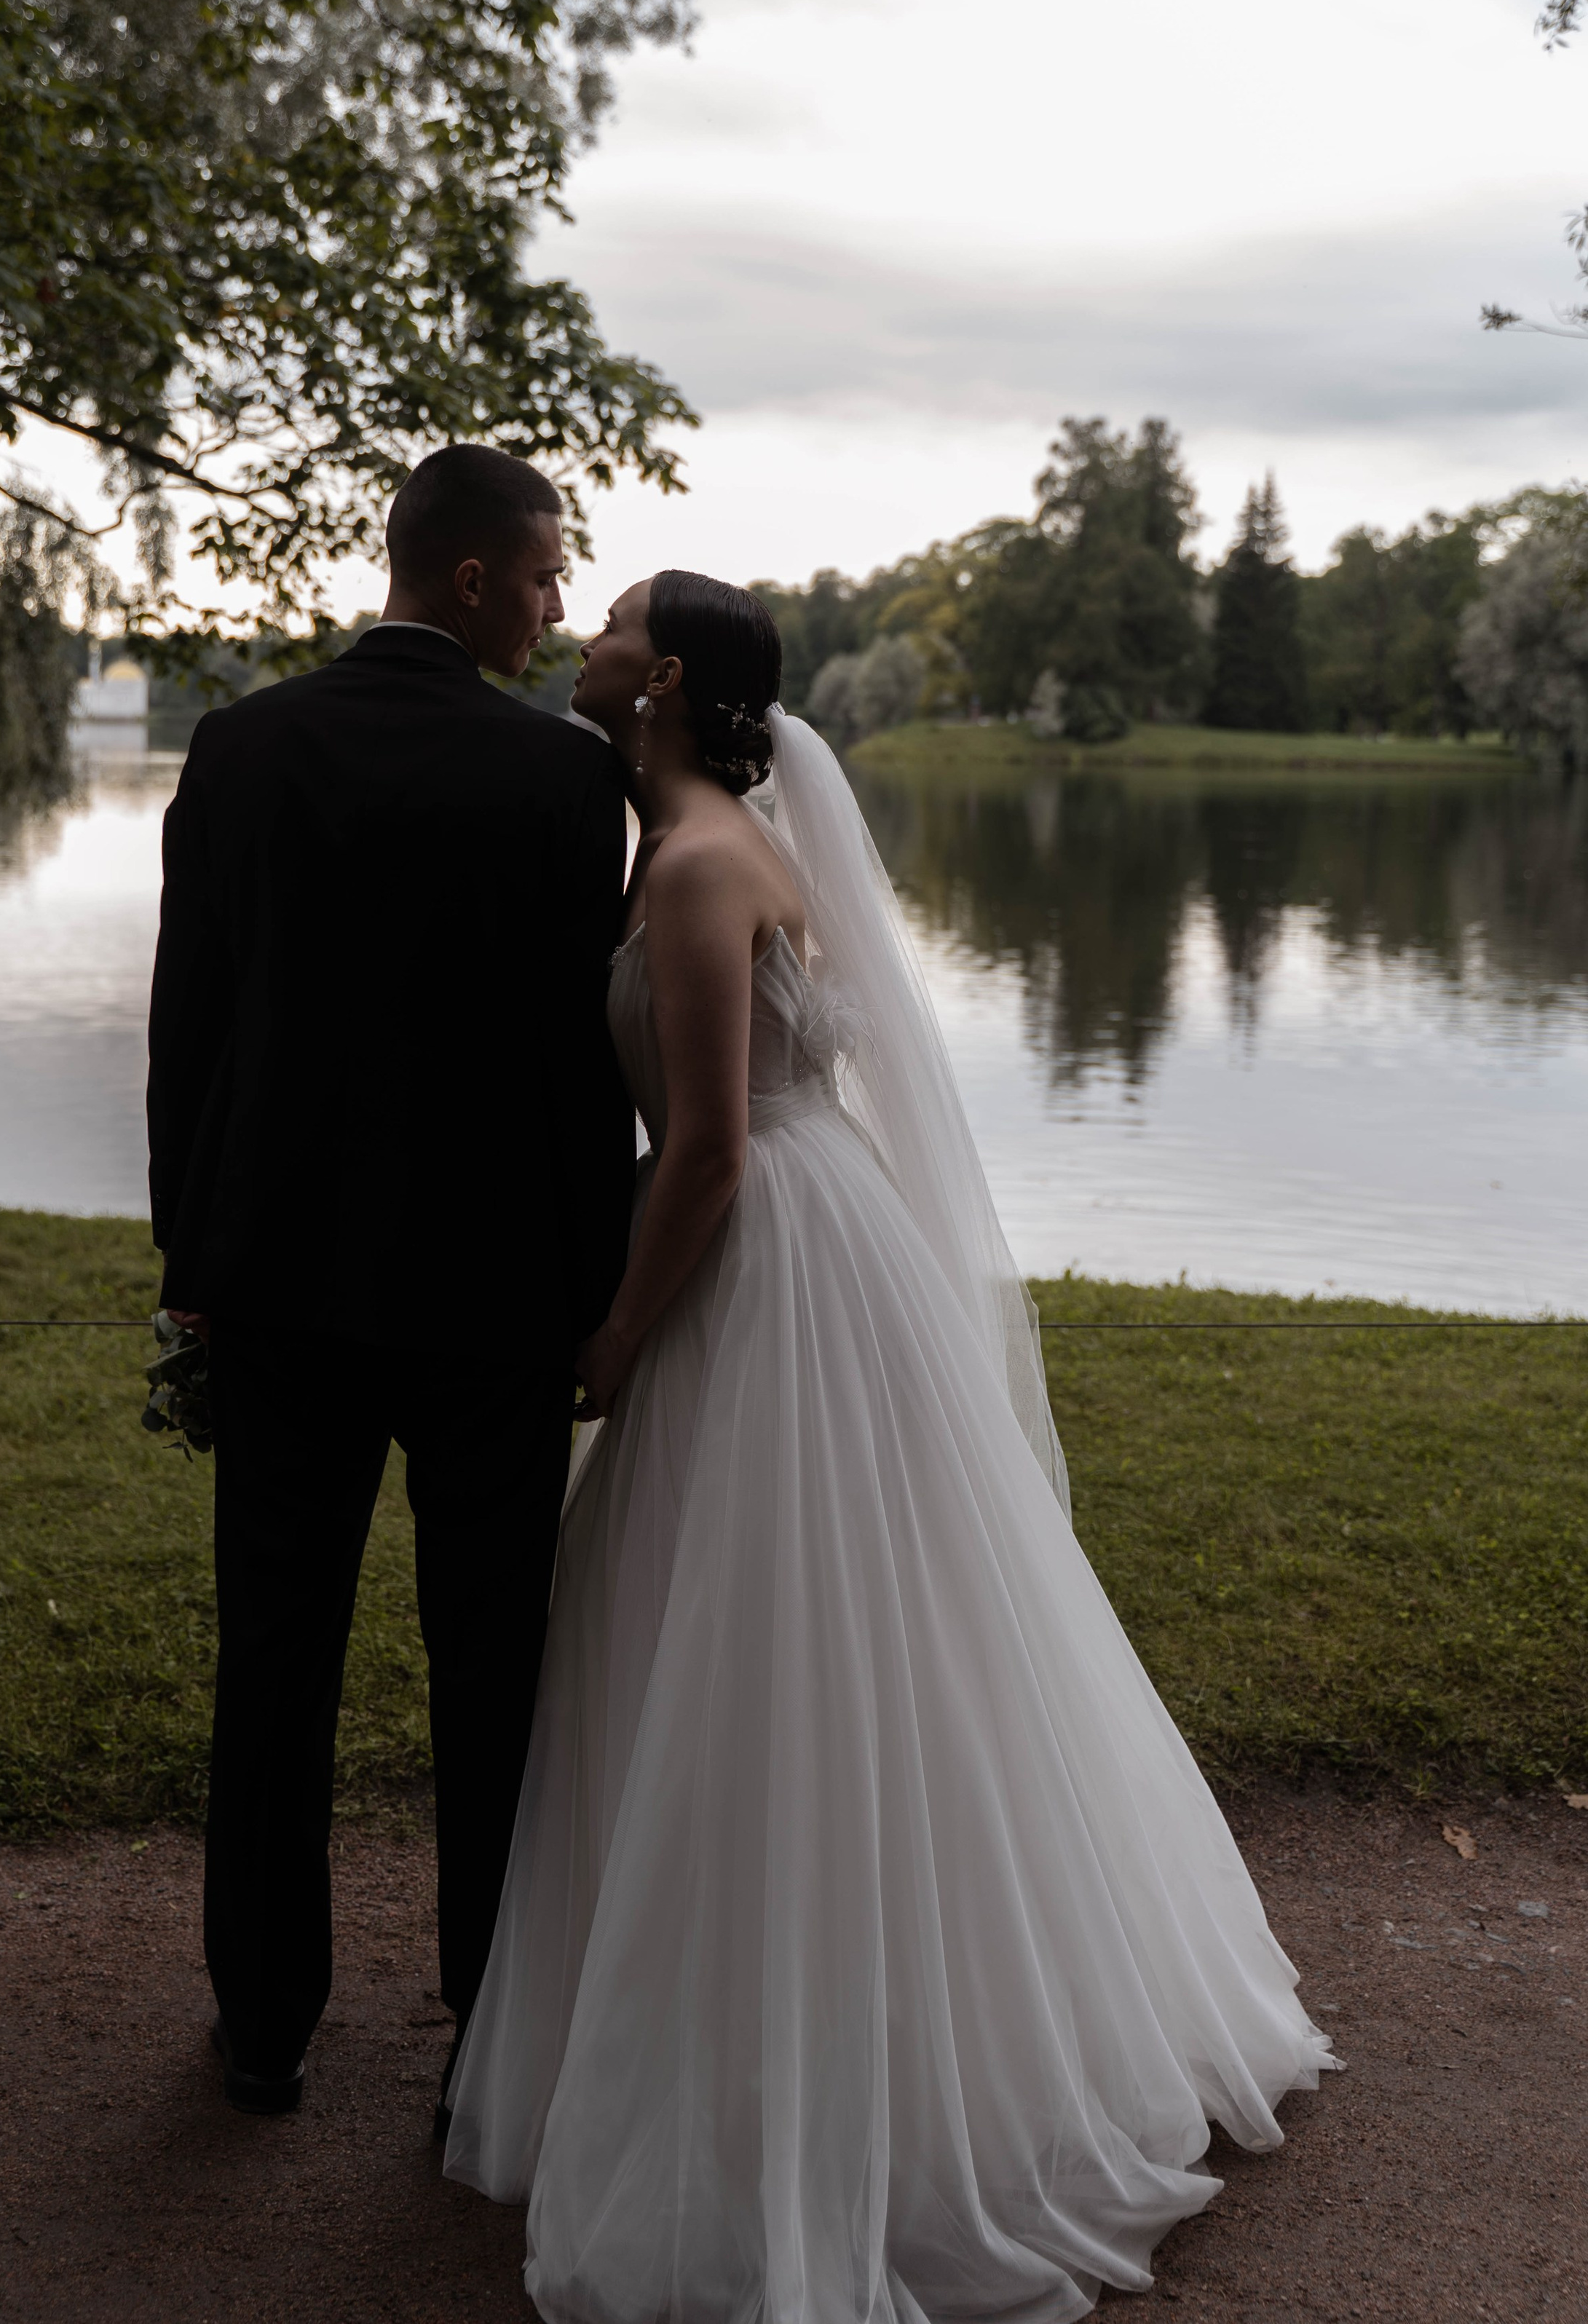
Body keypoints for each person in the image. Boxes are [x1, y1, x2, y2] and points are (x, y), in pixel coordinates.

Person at [443, 570, 1337, 2322]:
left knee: (774, 1648)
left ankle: (849, 2091)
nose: (587, 635)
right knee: (776, 1642)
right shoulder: (681, 843)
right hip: (800, 1240)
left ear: (665, 672)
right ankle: (766, 2031)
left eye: (611, 618)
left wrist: (618, 1331)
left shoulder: (699, 868)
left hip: (759, 1264)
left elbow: (706, 1148)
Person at [146, 444, 633, 2121]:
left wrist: (187, 1267)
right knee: (492, 1672)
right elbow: (583, 1083)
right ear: (478, 578)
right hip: (493, 1304)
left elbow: (189, 1040)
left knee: (271, 1660)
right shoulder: (565, 783)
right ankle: (484, 2036)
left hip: (278, 1287)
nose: (564, 601)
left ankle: (267, 2024)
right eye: (552, 570)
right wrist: (595, 1292)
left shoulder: (241, 745)